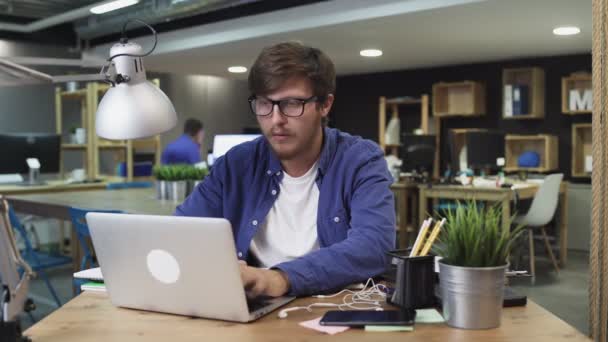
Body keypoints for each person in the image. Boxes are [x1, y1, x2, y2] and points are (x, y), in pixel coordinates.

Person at [175, 42, 395, 298]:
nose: (276, 119)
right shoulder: (236, 164)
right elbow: (181, 232)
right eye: (264, 103)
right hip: (253, 312)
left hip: (331, 309)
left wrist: (280, 278)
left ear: (325, 105)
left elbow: (374, 246)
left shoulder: (360, 160)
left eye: (291, 104)